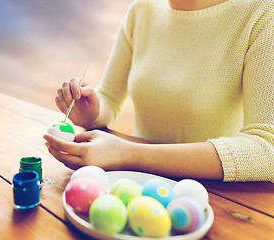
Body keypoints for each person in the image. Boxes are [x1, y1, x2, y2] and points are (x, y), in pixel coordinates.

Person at [43, 0, 274, 182]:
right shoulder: (142, 9)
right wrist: (93, 113)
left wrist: (129, 154)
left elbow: (267, 148)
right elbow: (110, 98)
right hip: (136, 181)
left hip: (214, 196)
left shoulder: (261, 12)